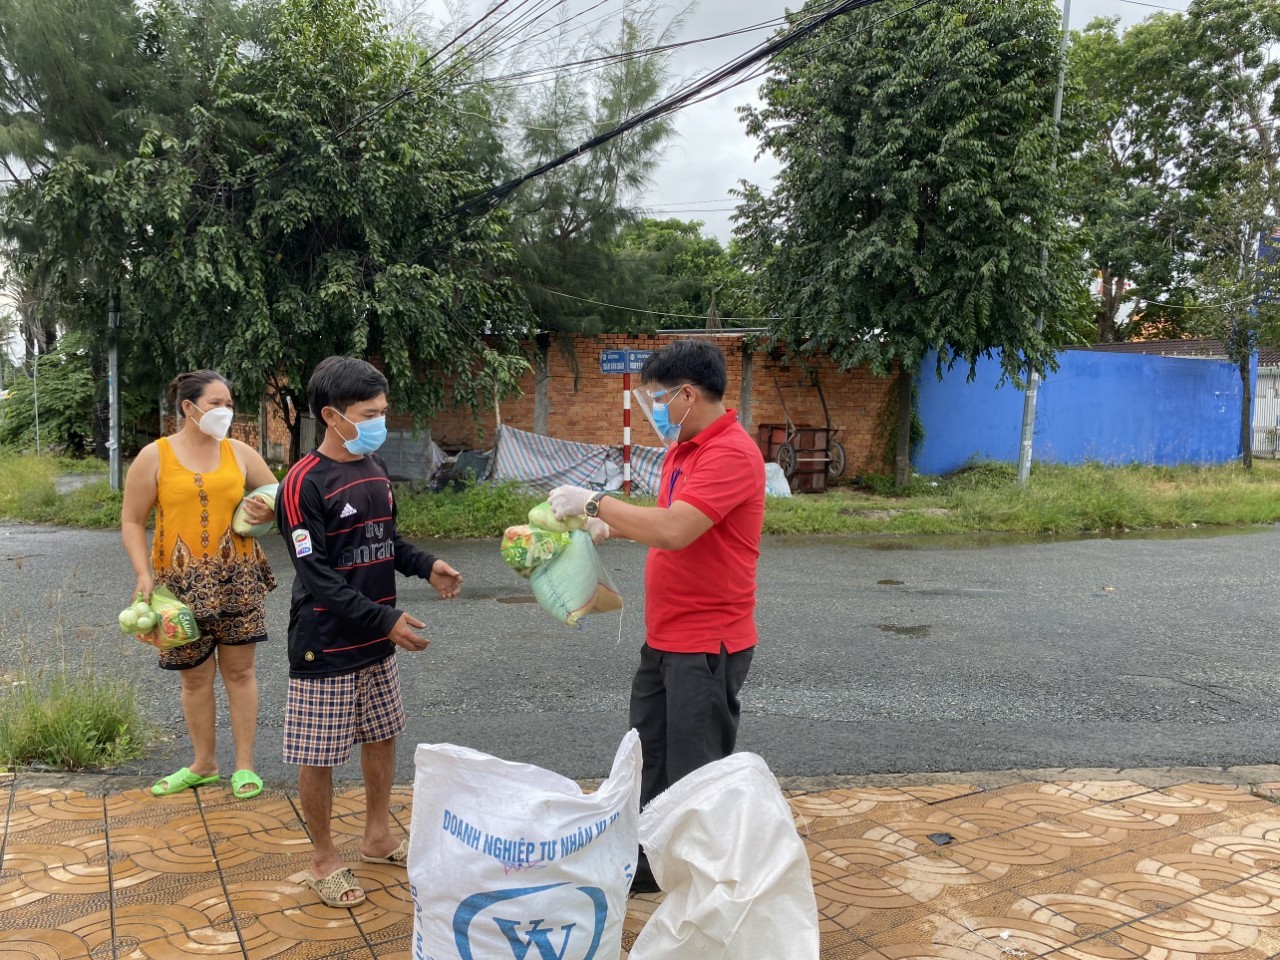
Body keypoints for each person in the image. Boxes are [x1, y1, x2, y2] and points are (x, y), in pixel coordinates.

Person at [548, 338, 765, 892]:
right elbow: (669, 519)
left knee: (696, 774)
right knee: (649, 757)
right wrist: (610, 525)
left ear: (688, 395)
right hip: (666, 636)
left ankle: (704, 883)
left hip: (707, 643)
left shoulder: (731, 453)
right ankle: (649, 864)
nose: (657, 410)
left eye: (661, 398)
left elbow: (674, 530)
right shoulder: (683, 450)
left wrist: (594, 501)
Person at [275, 355, 463, 910]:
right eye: (369, 413)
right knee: (320, 753)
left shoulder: (374, 467)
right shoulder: (302, 483)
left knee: (381, 735)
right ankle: (323, 859)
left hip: (377, 641)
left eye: (383, 411)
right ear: (332, 416)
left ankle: (377, 836)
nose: (381, 421)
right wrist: (386, 619)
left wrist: (425, 565)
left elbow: (387, 540)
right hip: (326, 643)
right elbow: (317, 576)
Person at [121, 369, 278, 800]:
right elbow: (132, 521)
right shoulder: (154, 456)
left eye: (229, 404)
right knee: (194, 680)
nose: (226, 411)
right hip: (177, 589)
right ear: (189, 407)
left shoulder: (239, 452)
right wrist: (143, 574)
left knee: (240, 673)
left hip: (238, 580)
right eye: (216, 403)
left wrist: (269, 509)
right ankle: (203, 765)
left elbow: (278, 494)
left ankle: (244, 766)